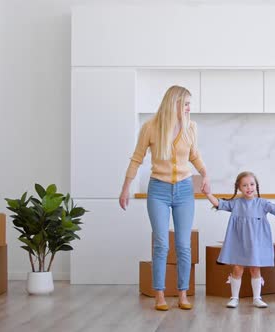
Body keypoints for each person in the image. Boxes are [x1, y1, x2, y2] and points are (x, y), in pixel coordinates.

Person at [119, 85, 209, 311]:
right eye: (186, 103)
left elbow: (194, 155)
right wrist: (126, 187)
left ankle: (182, 293)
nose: (190, 108)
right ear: (175, 104)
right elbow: (137, 158)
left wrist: (206, 174)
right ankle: (159, 294)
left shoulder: (191, 127)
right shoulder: (150, 127)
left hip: (185, 190)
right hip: (158, 190)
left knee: (183, 244)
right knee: (160, 243)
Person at [203, 171, 275, 308]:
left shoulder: (262, 203)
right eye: (245, 185)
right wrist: (208, 194)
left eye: (251, 184)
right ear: (239, 187)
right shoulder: (236, 203)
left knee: (255, 269)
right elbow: (219, 204)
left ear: (256, 186)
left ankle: (257, 298)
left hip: (256, 242)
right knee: (237, 269)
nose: (249, 188)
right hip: (239, 241)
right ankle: (234, 298)